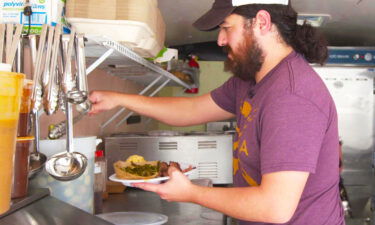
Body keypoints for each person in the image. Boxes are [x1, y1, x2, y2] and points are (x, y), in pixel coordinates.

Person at [88, 0, 345, 224]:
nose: (220, 40)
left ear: (262, 22)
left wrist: (191, 193)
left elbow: (275, 207)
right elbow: (191, 109)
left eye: (226, 27)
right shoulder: (250, 79)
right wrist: (118, 99)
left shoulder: (291, 96)